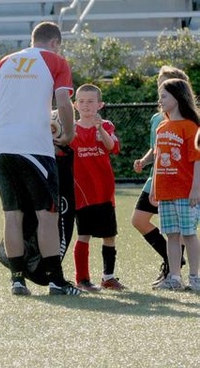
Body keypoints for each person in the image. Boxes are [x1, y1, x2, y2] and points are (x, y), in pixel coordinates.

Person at [0, 21, 81, 296]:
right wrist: (68, 133)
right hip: (35, 147)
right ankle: (56, 281)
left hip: (3, 146)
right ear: (55, 42)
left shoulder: (5, 62)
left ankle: (17, 280)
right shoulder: (56, 61)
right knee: (47, 215)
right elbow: (63, 102)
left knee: (12, 216)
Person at [132, 66, 190, 287]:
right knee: (138, 220)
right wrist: (144, 160)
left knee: (181, 230)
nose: (161, 88)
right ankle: (171, 260)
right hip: (155, 179)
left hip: (177, 181)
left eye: (167, 83)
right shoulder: (157, 118)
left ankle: (174, 272)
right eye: (160, 83)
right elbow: (155, 149)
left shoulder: (188, 120)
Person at [69, 84, 125, 291]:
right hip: (82, 193)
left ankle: (108, 277)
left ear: (100, 105)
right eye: (81, 101)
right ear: (75, 105)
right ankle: (82, 279)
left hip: (104, 190)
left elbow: (112, 147)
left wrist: (100, 129)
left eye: (91, 101)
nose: (86, 105)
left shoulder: (106, 126)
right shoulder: (70, 129)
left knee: (109, 235)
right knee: (84, 235)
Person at [150, 78, 200, 290]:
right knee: (171, 235)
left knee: (188, 234)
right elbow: (158, 158)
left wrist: (196, 189)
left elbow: (197, 160)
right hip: (165, 191)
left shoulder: (191, 126)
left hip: (185, 191)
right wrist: (154, 187)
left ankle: (195, 277)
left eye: (164, 96)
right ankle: (175, 278)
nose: (160, 100)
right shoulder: (161, 126)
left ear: (177, 98)